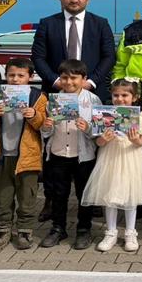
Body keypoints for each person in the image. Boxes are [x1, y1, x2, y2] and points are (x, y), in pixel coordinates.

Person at [0, 58, 47, 251]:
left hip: (27, 156)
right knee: (4, 195)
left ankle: (25, 231)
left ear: (30, 77)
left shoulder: (38, 97)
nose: (15, 79)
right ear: (5, 76)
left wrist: (33, 115)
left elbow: (43, 125)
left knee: (27, 196)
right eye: (11, 75)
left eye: (20, 75)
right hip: (2, 156)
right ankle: (3, 230)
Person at [83, 78, 142, 252]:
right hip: (110, 158)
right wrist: (103, 138)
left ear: (134, 97)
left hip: (132, 158)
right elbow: (98, 143)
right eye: (116, 95)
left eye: (125, 95)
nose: (120, 99)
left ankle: (131, 232)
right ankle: (111, 232)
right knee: (110, 196)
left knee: (131, 196)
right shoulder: (103, 115)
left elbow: (141, 143)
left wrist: (135, 139)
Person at [39, 59, 99, 250]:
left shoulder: (93, 100)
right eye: (64, 78)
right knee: (58, 194)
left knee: (84, 195)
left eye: (74, 78)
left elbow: (99, 131)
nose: (69, 82)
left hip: (83, 156)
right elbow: (46, 133)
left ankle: (83, 229)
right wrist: (46, 127)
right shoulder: (54, 99)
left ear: (84, 79)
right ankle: (58, 228)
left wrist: (88, 128)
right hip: (58, 153)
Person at [32, 0, 116, 103]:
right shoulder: (47, 24)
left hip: (92, 92)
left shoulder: (100, 24)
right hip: (55, 92)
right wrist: (56, 81)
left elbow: (109, 57)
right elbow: (38, 57)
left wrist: (90, 82)